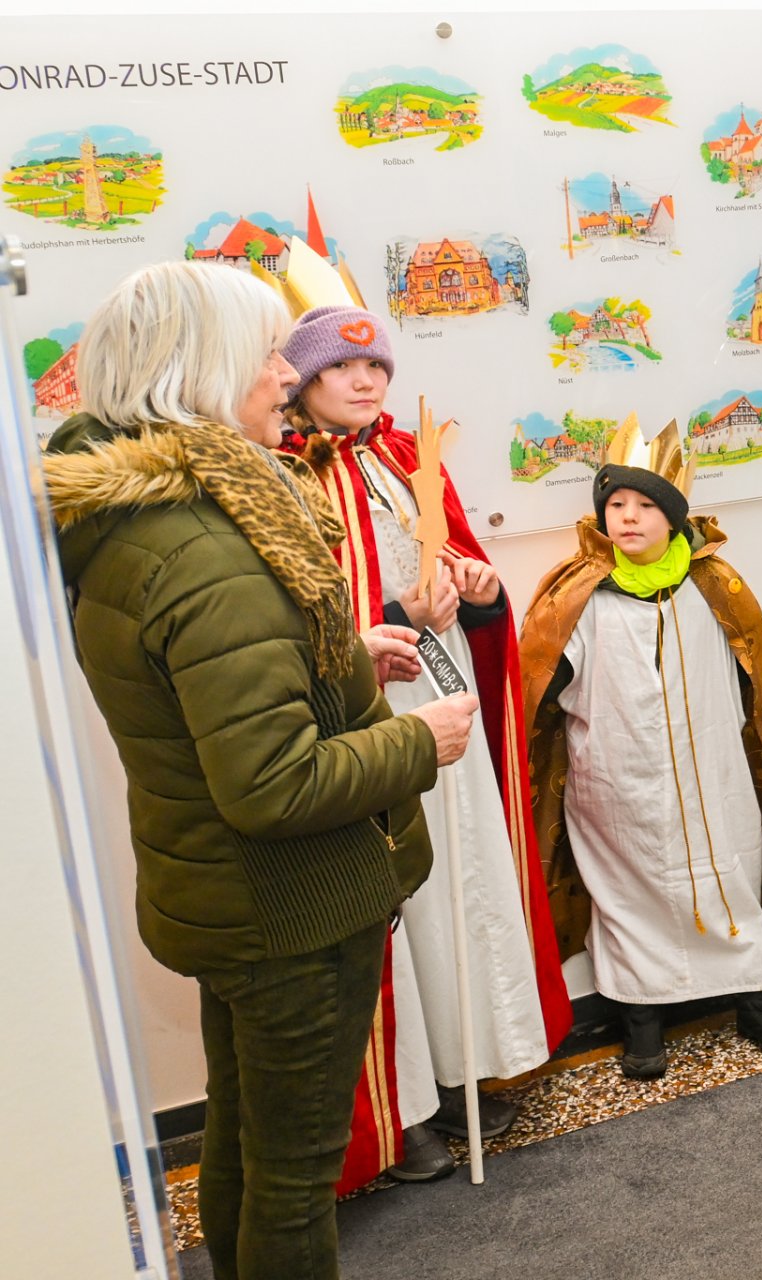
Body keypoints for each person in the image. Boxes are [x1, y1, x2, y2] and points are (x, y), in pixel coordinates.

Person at [41, 260, 477, 1279]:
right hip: (290, 907)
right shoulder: (207, 541)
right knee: (292, 1180)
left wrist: (335, 662)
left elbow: (203, 696)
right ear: (201, 371)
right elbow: (273, 783)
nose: (290, 373)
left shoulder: (141, 518)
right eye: (267, 353)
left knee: (242, 1142)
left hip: (224, 895)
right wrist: (421, 740)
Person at [281, 302, 572, 1184]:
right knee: (391, 904)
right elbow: (293, 625)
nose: (365, 383)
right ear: (301, 379)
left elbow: (458, 581)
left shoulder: (405, 459)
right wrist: (397, 614)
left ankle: (461, 1069)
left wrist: (477, 588)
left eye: (376, 370)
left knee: (459, 882)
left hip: (442, 702)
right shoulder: (284, 479)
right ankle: (398, 1110)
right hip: (366, 720)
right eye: (341, 369)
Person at [520, 418, 762, 1078]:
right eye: (616, 505)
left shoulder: (712, 584)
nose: (628, 517)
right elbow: (541, 679)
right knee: (626, 890)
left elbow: (748, 669)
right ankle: (640, 1018)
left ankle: (757, 1000)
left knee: (726, 876)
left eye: (646, 505)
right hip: (617, 779)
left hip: (710, 771)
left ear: (674, 517)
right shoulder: (579, 594)